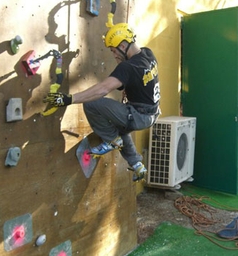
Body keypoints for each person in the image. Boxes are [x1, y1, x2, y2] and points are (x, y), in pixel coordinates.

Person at [44, 23, 161, 181]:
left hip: (138, 115)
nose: (114, 55)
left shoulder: (128, 67)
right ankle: (136, 164)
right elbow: (141, 79)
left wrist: (70, 99)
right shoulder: (148, 54)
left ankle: (111, 141)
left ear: (123, 45)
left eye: (114, 50)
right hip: (151, 114)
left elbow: (102, 89)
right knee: (119, 125)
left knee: (93, 104)